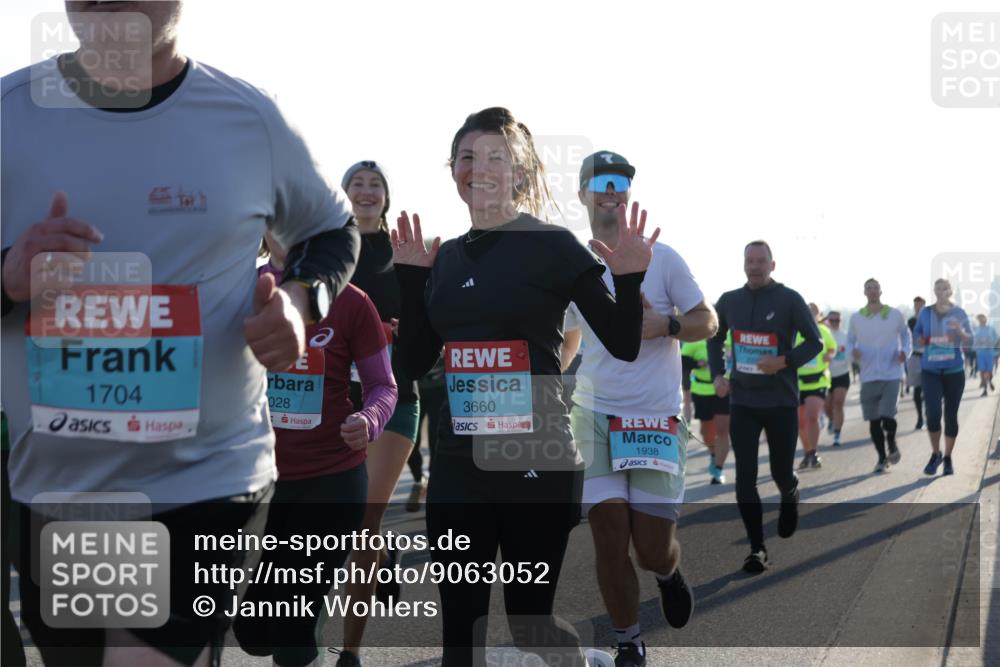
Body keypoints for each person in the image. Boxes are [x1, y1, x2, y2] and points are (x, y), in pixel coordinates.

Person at [1, 4, 359, 665]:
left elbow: (332, 231)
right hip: (56, 490)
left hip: (207, 479)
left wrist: (299, 301)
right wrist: (8, 276)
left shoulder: (250, 119)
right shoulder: (10, 114)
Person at [391, 108, 657, 667]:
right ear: (453, 170)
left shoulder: (553, 245)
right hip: (459, 466)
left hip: (537, 458)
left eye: (496, 157)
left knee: (530, 626)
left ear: (520, 172)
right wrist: (412, 284)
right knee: (459, 639)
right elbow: (411, 362)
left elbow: (622, 341)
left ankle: (584, 662)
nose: (478, 168)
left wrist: (629, 278)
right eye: (467, 157)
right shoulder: (444, 258)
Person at [562, 151, 717, 667]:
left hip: (655, 419)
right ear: (582, 193)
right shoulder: (574, 263)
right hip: (593, 415)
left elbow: (707, 320)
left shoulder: (662, 258)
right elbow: (568, 339)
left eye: (620, 181)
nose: (611, 190)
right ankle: (628, 641)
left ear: (628, 193)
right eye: (600, 181)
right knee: (609, 533)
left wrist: (667, 326)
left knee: (650, 548)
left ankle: (667, 573)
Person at [234, 234, 397, 667]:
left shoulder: (352, 301)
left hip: (332, 478)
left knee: (293, 621)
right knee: (253, 632)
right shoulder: (237, 290)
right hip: (260, 479)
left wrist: (369, 419)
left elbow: (383, 385)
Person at [336, 161, 423, 665]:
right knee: (347, 518)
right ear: (344, 193)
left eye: (375, 185)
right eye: (357, 184)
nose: (366, 192)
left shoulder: (401, 250)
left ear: (387, 197)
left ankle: (350, 650)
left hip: (395, 395)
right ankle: (383, 553)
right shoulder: (328, 249)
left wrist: (408, 329)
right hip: (330, 400)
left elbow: (428, 321)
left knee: (366, 514)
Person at [708, 241, 822, 573]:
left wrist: (783, 361)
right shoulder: (730, 300)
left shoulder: (789, 299)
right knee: (745, 478)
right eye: (750, 261)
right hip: (743, 401)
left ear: (772, 265)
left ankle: (790, 492)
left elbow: (814, 342)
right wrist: (718, 374)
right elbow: (714, 336)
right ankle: (757, 548)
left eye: (761, 261)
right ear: (743, 264)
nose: (754, 266)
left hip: (781, 402)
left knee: (780, 472)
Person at [846, 279, 912, 473]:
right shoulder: (857, 317)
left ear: (881, 291)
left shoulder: (894, 314)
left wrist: (905, 352)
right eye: (869, 288)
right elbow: (850, 341)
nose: (872, 291)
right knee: (874, 420)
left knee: (887, 414)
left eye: (875, 288)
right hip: (868, 375)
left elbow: (906, 335)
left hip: (891, 372)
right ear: (864, 292)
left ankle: (891, 442)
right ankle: (882, 458)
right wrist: (852, 352)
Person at [913, 279, 973, 476]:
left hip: (954, 372)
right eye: (938, 288)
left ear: (950, 291)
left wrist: (960, 331)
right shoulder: (925, 313)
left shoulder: (959, 313)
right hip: (930, 372)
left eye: (945, 288)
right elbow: (917, 335)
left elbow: (970, 341)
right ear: (934, 291)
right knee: (932, 414)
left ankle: (947, 457)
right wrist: (921, 340)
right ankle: (935, 453)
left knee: (950, 416)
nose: (941, 291)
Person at [681, 337, 731, 484]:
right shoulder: (695, 339)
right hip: (701, 390)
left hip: (724, 390)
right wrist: (697, 363)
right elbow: (681, 360)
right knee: (707, 433)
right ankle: (713, 455)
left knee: (722, 430)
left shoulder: (729, 337)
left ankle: (718, 469)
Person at [796, 303, 837, 469]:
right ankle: (807, 452)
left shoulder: (823, 331)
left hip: (818, 380)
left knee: (812, 416)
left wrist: (829, 355)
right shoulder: (794, 331)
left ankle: (813, 452)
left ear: (818, 315)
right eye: (808, 310)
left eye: (814, 311)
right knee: (800, 422)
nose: (810, 313)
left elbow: (832, 348)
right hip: (797, 382)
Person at [823, 311, 851, 446]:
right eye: (832, 320)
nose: (834, 323)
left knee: (838, 402)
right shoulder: (823, 335)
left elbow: (851, 353)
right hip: (826, 375)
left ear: (841, 321)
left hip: (842, 374)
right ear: (827, 321)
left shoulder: (846, 336)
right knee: (827, 406)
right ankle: (831, 419)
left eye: (837, 320)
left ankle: (837, 434)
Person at [907, 297, 926, 429]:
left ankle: (928, 413)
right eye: (916, 305)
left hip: (928, 358)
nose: (918, 307)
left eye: (920, 305)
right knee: (917, 389)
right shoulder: (911, 321)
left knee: (929, 388)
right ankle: (920, 417)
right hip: (914, 358)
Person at [973, 314, 998, 396]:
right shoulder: (976, 329)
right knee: (982, 371)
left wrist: (995, 348)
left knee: (989, 371)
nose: (981, 320)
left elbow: (997, 340)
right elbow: (974, 341)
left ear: (986, 319)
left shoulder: (991, 329)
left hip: (990, 353)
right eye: (979, 319)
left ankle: (990, 381)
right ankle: (985, 389)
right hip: (980, 353)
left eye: (982, 319)